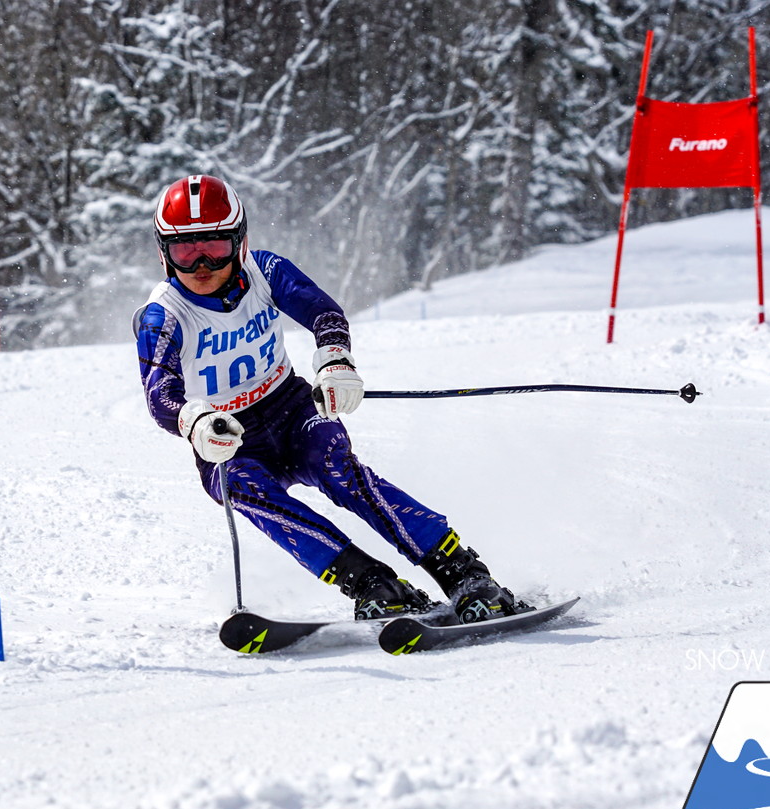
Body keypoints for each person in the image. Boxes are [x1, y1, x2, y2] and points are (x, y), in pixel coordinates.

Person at [133, 174, 530, 622]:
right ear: (164, 254)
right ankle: (373, 584)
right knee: (243, 488)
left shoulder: (265, 271)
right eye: (186, 251)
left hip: (290, 408)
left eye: (216, 247)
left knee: (337, 466)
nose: (201, 264)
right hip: (226, 434)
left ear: (240, 242)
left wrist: (335, 361)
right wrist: (195, 421)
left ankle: (464, 573)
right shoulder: (162, 315)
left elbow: (322, 311)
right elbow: (160, 394)